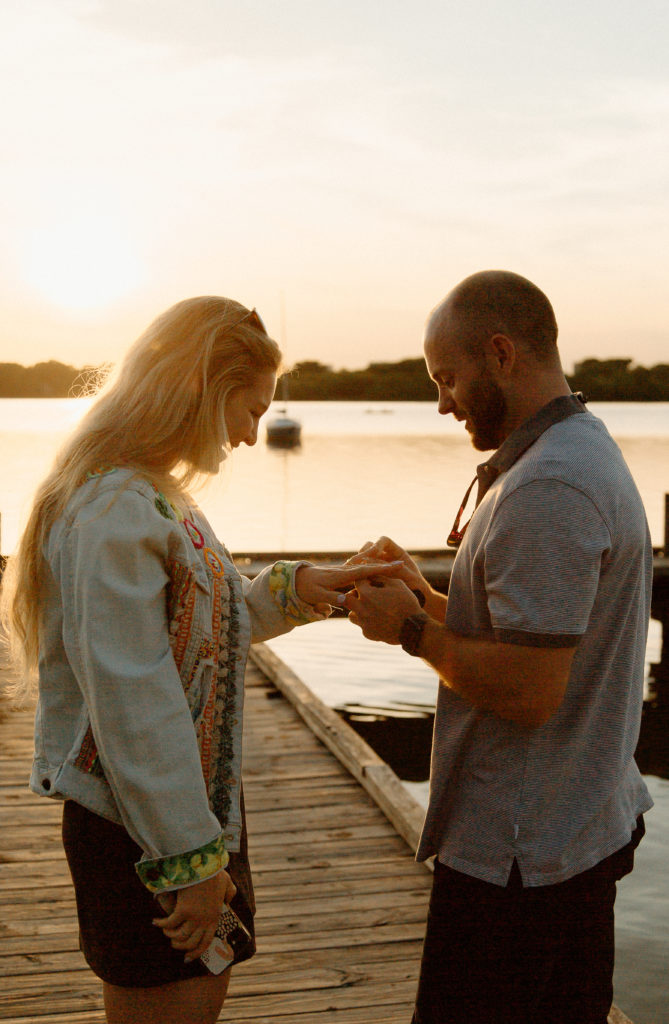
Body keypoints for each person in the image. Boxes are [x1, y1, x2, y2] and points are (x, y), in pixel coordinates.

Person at [0, 296, 401, 1024]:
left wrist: (297, 588)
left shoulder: (151, 496)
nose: (252, 435)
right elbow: (132, 699)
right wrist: (191, 860)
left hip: (179, 815)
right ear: (203, 392)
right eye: (250, 411)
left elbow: (192, 634)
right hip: (140, 827)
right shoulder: (114, 510)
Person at [343, 270, 653, 1024]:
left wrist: (409, 631)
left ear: (501, 353)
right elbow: (536, 635)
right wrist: (423, 595)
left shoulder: (549, 486)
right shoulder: (576, 447)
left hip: (523, 858)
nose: (441, 401)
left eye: (446, 378)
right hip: (570, 831)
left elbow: (527, 689)